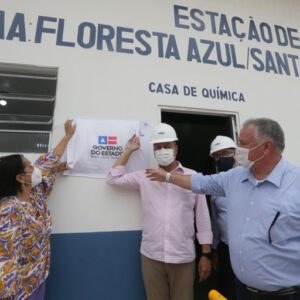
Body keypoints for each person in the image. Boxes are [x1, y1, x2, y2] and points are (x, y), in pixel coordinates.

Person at [146, 118, 300, 300]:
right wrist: (168, 177)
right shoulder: (234, 177)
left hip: (286, 295)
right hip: (243, 290)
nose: (238, 149)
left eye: (242, 143)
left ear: (266, 147)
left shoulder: (295, 184)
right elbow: (200, 182)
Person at [107, 123, 212, 300]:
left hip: (183, 257)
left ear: (176, 149)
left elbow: (203, 219)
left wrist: (206, 254)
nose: (162, 150)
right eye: (158, 147)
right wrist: (129, 150)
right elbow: (113, 179)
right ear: (154, 152)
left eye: (167, 146)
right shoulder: (145, 176)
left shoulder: (192, 177)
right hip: (152, 256)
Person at [0, 120, 76, 300]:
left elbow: (48, 162)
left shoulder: (35, 196)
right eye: (29, 166)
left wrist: (68, 136)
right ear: (20, 177)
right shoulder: (9, 211)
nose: (35, 168)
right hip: (18, 290)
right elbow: (5, 257)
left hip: (37, 278)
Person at [209, 136, 237, 300]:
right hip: (226, 250)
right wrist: (214, 251)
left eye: (225, 153)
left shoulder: (250, 178)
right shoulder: (214, 186)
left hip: (252, 248)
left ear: (235, 154)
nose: (221, 158)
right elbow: (214, 221)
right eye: (217, 156)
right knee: (229, 290)